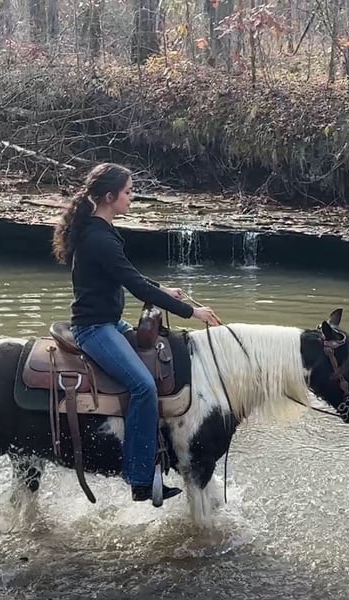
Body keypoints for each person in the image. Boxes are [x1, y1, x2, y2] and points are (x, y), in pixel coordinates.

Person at [52, 163, 222, 505]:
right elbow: (135, 285)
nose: (132, 198)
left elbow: (127, 275)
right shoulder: (99, 237)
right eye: (128, 192)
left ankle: (163, 450)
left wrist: (162, 288)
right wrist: (192, 312)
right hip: (94, 329)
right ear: (110, 196)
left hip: (109, 323)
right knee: (143, 386)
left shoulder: (100, 230)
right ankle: (140, 478)